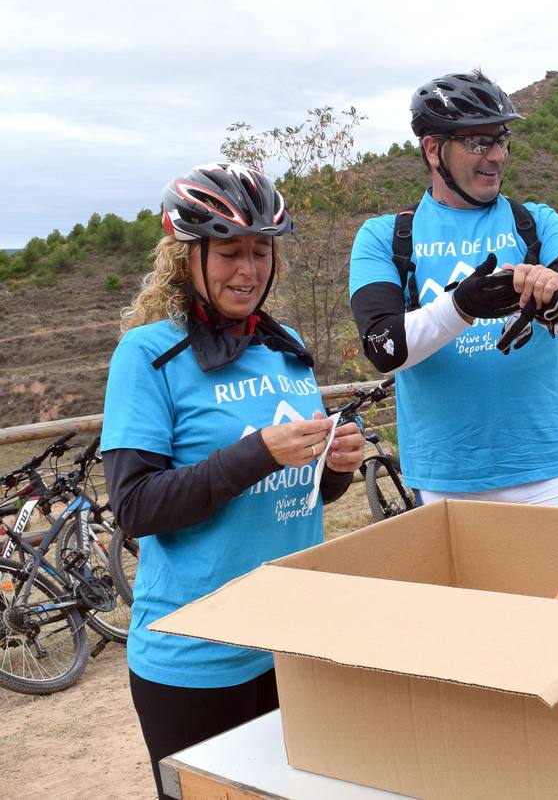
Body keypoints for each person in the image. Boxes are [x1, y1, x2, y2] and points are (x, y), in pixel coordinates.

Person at [102, 163, 365, 800]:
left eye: (259, 251)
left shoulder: (287, 345)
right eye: (229, 253)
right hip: (195, 656)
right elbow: (135, 507)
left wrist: (332, 468)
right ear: (185, 257)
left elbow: (297, 497)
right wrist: (257, 456)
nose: (248, 272)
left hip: (292, 644)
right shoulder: (147, 355)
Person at [349, 71, 558, 506]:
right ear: (433, 150)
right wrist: (461, 305)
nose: (497, 156)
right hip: (445, 480)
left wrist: (554, 303)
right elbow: (382, 348)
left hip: (545, 472)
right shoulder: (384, 237)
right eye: (478, 143)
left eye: (501, 140)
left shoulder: (535, 222)